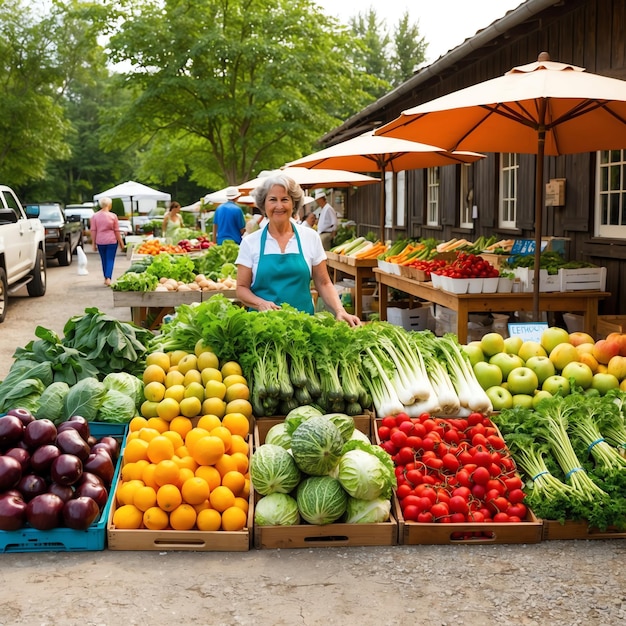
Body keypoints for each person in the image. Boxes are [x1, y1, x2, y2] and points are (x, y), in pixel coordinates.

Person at [235, 173, 360, 326]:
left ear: (294, 204)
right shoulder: (250, 242)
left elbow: (323, 282)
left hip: (303, 327)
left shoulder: (310, 237)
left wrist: (340, 310)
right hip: (260, 328)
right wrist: (260, 303)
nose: (279, 206)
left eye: (285, 199)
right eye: (273, 200)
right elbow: (241, 288)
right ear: (264, 204)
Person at [90, 196, 125, 286]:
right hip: (111, 241)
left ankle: (106, 277)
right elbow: (116, 231)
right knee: (110, 259)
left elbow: (93, 230)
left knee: (104, 260)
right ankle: (108, 278)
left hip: (100, 241)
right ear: (109, 205)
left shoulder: (94, 216)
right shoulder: (113, 216)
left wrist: (93, 244)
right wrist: (121, 243)